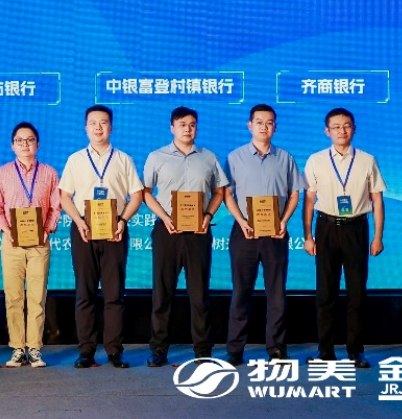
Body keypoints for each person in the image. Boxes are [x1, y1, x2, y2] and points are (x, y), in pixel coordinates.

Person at [59, 105, 144, 369]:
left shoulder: (124, 159)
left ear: (111, 127)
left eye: (103, 122)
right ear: (86, 128)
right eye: (93, 123)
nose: (98, 127)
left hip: (114, 230)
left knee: (114, 294)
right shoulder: (75, 159)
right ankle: (86, 351)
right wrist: (79, 221)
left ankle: (114, 351)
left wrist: (122, 221)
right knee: (84, 293)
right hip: (83, 229)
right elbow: (65, 196)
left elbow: (136, 195)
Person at [143, 106, 227, 367]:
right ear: (172, 128)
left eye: (192, 124)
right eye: (182, 124)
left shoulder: (208, 157)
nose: (188, 129)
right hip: (167, 231)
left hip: (198, 232)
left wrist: (208, 215)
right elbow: (145, 192)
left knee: (200, 295)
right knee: (162, 293)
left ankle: (202, 349)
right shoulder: (156, 157)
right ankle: (159, 349)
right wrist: (165, 217)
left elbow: (220, 192)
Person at [303, 107, 386, 369]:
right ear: (327, 131)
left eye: (347, 125)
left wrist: (378, 237)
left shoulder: (367, 160)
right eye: (336, 127)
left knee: (357, 292)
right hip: (326, 228)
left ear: (354, 129)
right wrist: (307, 235)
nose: (342, 130)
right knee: (325, 293)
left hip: (357, 229)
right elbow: (309, 200)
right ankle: (325, 351)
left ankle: (355, 351)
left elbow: (377, 200)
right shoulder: (316, 160)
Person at [222, 104, 303, 365]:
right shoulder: (235, 157)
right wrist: (242, 221)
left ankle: (277, 348)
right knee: (241, 292)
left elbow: (294, 194)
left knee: (276, 293)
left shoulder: (286, 158)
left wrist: (284, 221)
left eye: (269, 122)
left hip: (276, 234)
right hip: (244, 232)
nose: (264, 127)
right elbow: (227, 194)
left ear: (275, 127)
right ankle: (235, 349)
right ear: (250, 125)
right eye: (259, 122)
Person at [0, 121, 61, 368]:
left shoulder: (49, 173)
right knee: (13, 297)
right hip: (11, 242)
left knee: (37, 296)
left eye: (30, 140)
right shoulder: (2, 173)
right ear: (12, 145)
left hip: (40, 242)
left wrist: (47, 229)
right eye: (20, 140)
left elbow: (56, 206)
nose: (25, 144)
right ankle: (18, 348)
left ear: (37, 144)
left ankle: (35, 348)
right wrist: (6, 230)